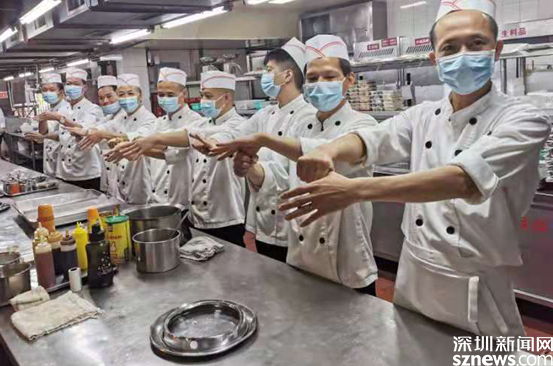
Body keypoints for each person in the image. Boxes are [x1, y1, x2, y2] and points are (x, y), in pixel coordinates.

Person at [280, 0, 552, 336]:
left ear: (496, 50)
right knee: (409, 354)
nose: (463, 55)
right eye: (450, 48)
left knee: (483, 358)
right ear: (435, 58)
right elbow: (374, 139)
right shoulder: (422, 115)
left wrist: (355, 190)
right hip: (413, 274)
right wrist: (327, 150)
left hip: (476, 283)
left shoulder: (524, 119)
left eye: (476, 43)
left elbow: (461, 180)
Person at [213, 35, 378, 293]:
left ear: (349, 80)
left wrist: (264, 139)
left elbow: (326, 155)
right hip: (301, 251)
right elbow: (280, 179)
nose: (320, 84)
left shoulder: (363, 124)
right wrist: (250, 168)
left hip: (346, 257)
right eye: (312, 78)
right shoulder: (302, 125)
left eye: (330, 77)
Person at [106, 71, 246, 246]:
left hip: (226, 217)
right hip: (196, 215)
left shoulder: (238, 124)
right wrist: (135, 146)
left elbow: (195, 136)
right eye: (202, 95)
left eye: (208, 96)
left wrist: (153, 140)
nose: (203, 100)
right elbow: (170, 150)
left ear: (226, 98)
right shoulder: (202, 123)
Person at [207, 38, 316, 262]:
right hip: (263, 219)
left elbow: (293, 173)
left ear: (287, 75)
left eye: (268, 70)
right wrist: (212, 142)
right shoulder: (266, 114)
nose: (263, 76)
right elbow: (236, 135)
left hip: (291, 224)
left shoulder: (308, 116)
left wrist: (254, 168)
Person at [72, 74, 156, 204]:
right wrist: (86, 132)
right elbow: (101, 128)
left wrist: (102, 134)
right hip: (119, 183)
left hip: (139, 184)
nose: (126, 98)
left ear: (140, 95)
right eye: (121, 95)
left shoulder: (149, 119)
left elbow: (137, 139)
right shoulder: (120, 118)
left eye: (130, 93)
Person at [146, 67, 202, 207]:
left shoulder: (196, 122)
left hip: (182, 200)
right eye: (161, 94)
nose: (165, 99)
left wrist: (150, 144)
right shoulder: (158, 123)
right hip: (156, 198)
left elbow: (174, 154)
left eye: (170, 95)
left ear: (184, 94)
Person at [54, 68, 104, 190]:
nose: (71, 87)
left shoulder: (93, 109)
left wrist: (60, 119)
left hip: (87, 171)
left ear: (84, 88)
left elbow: (84, 131)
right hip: (65, 171)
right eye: (69, 83)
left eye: (76, 84)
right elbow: (60, 136)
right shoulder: (62, 110)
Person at [25, 73, 71, 176]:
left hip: (64, 161)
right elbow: (42, 133)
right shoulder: (49, 110)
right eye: (44, 90)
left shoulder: (68, 109)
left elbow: (65, 136)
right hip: (50, 160)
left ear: (61, 92)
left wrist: (43, 136)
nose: (47, 93)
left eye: (51, 90)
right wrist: (42, 119)